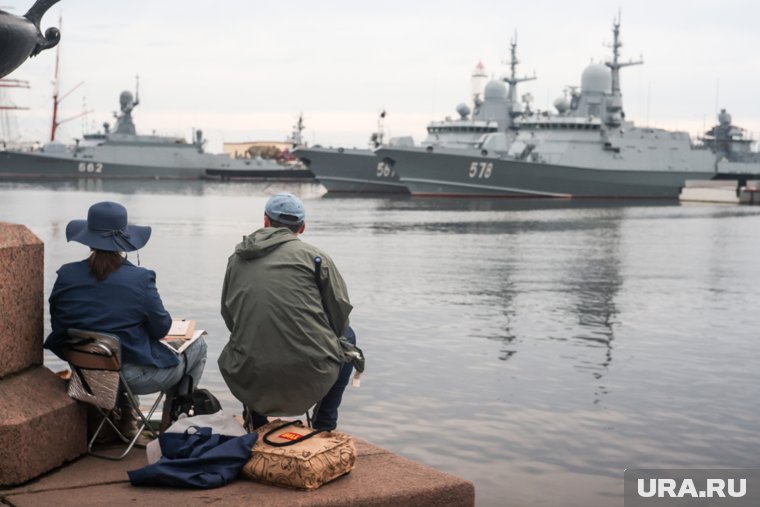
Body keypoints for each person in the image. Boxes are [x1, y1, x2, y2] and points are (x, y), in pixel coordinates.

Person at [44, 201, 207, 436]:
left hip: (85, 372)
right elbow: (162, 329)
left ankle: (126, 419)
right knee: (197, 345)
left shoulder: (66, 275)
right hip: (129, 378)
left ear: (88, 239)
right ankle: (172, 425)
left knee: (124, 347)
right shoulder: (140, 279)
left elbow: (59, 325)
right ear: (125, 242)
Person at [219, 192, 357, 431]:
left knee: (245, 336)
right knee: (349, 337)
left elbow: (229, 316)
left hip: (251, 368)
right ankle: (324, 423)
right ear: (302, 228)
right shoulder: (315, 258)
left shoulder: (237, 258)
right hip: (310, 368)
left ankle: (257, 421)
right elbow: (339, 315)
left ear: (265, 221)